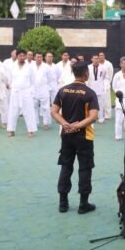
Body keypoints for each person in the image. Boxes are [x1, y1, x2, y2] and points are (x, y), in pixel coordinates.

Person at [51, 62, 99, 214]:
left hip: (66, 136)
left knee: (66, 167)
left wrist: (66, 124)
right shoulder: (89, 93)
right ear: (86, 73)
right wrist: (77, 126)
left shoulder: (63, 90)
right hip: (84, 136)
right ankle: (83, 204)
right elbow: (93, 116)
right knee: (85, 168)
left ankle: (63, 203)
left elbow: (54, 111)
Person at [7, 50, 37, 138]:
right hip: (15, 91)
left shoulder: (30, 68)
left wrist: (31, 92)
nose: (22, 57)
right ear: (17, 56)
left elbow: (33, 81)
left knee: (29, 111)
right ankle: (11, 130)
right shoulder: (12, 67)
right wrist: (10, 86)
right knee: (13, 111)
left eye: (24, 56)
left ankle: (31, 130)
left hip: (26, 91)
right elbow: (9, 79)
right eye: (20, 55)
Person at [33, 53, 53, 130]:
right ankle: (35, 123)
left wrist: (48, 88)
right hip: (34, 89)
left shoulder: (46, 67)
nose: (39, 58)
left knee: (46, 107)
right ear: (35, 58)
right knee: (34, 107)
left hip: (44, 89)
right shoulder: (31, 66)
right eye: (38, 57)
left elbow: (50, 79)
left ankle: (46, 123)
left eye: (40, 57)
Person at [88, 54, 109, 124]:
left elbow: (106, 78)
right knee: (90, 104)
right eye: (94, 58)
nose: (96, 60)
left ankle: (101, 118)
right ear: (92, 59)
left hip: (100, 88)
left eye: (97, 58)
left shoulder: (103, 68)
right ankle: (91, 118)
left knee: (101, 104)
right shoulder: (88, 67)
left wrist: (105, 87)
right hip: (91, 88)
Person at [99, 51, 115, 122]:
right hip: (99, 83)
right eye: (100, 55)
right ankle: (99, 114)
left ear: (104, 56)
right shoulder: (97, 64)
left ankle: (107, 115)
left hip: (106, 82)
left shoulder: (109, 64)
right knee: (99, 99)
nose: (101, 57)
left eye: (102, 55)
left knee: (107, 100)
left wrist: (108, 82)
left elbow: (111, 74)